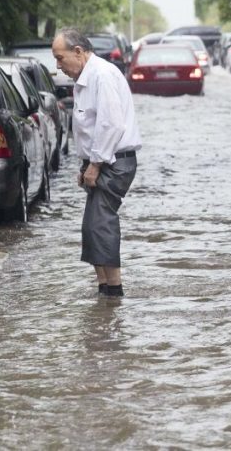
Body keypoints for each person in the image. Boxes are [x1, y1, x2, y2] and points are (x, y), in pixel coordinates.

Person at [52, 28, 142, 297]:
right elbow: (89, 127)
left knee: (101, 224)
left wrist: (95, 165)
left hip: (113, 162)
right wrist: (86, 164)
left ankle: (114, 292)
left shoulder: (102, 75)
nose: (58, 66)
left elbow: (111, 124)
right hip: (100, 160)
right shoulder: (86, 77)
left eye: (60, 58)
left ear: (78, 52)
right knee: (91, 227)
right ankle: (104, 289)